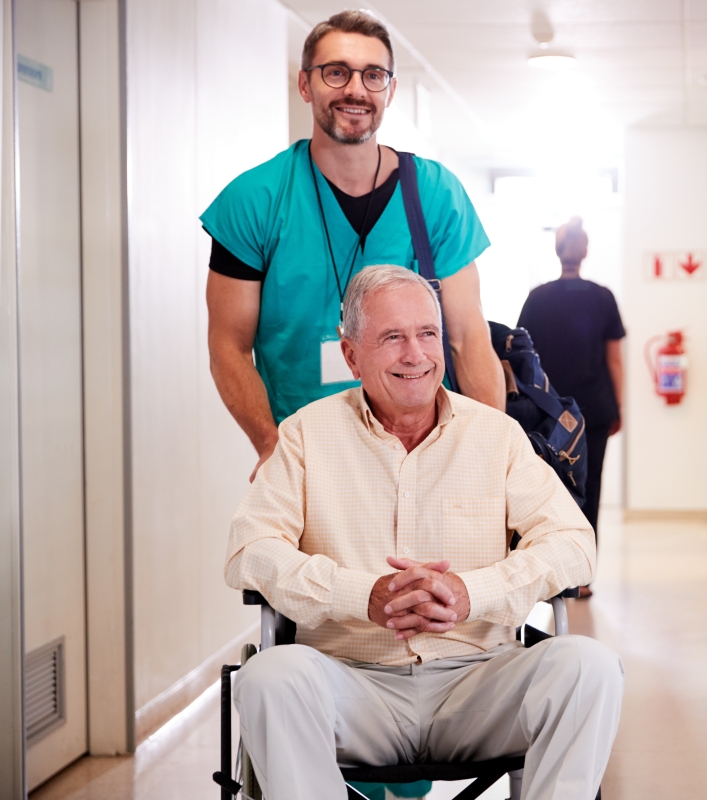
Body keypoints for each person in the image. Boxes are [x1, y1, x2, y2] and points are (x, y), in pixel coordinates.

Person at [226, 266, 624, 800]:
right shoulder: (304, 436)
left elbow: (574, 544)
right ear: (351, 355)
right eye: (392, 337)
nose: (416, 354)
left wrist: (471, 593)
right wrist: (359, 595)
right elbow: (250, 551)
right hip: (351, 685)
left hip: (478, 685)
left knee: (590, 666)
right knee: (268, 678)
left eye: (428, 334)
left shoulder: (497, 436)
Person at [202, 10, 504, 483]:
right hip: (309, 459)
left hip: (428, 459)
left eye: (373, 75)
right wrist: (270, 444)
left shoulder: (435, 195)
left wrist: (492, 453)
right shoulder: (254, 200)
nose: (356, 90)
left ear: (390, 90)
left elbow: (468, 337)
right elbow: (228, 343)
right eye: (336, 72)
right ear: (305, 85)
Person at [518, 218, 625, 596]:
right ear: (585, 251)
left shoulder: (537, 298)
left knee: (548, 491)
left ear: (557, 250)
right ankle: (581, 577)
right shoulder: (603, 297)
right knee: (589, 486)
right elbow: (614, 359)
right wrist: (619, 407)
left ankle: (554, 575)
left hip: (546, 413)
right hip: (593, 410)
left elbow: (521, 358)